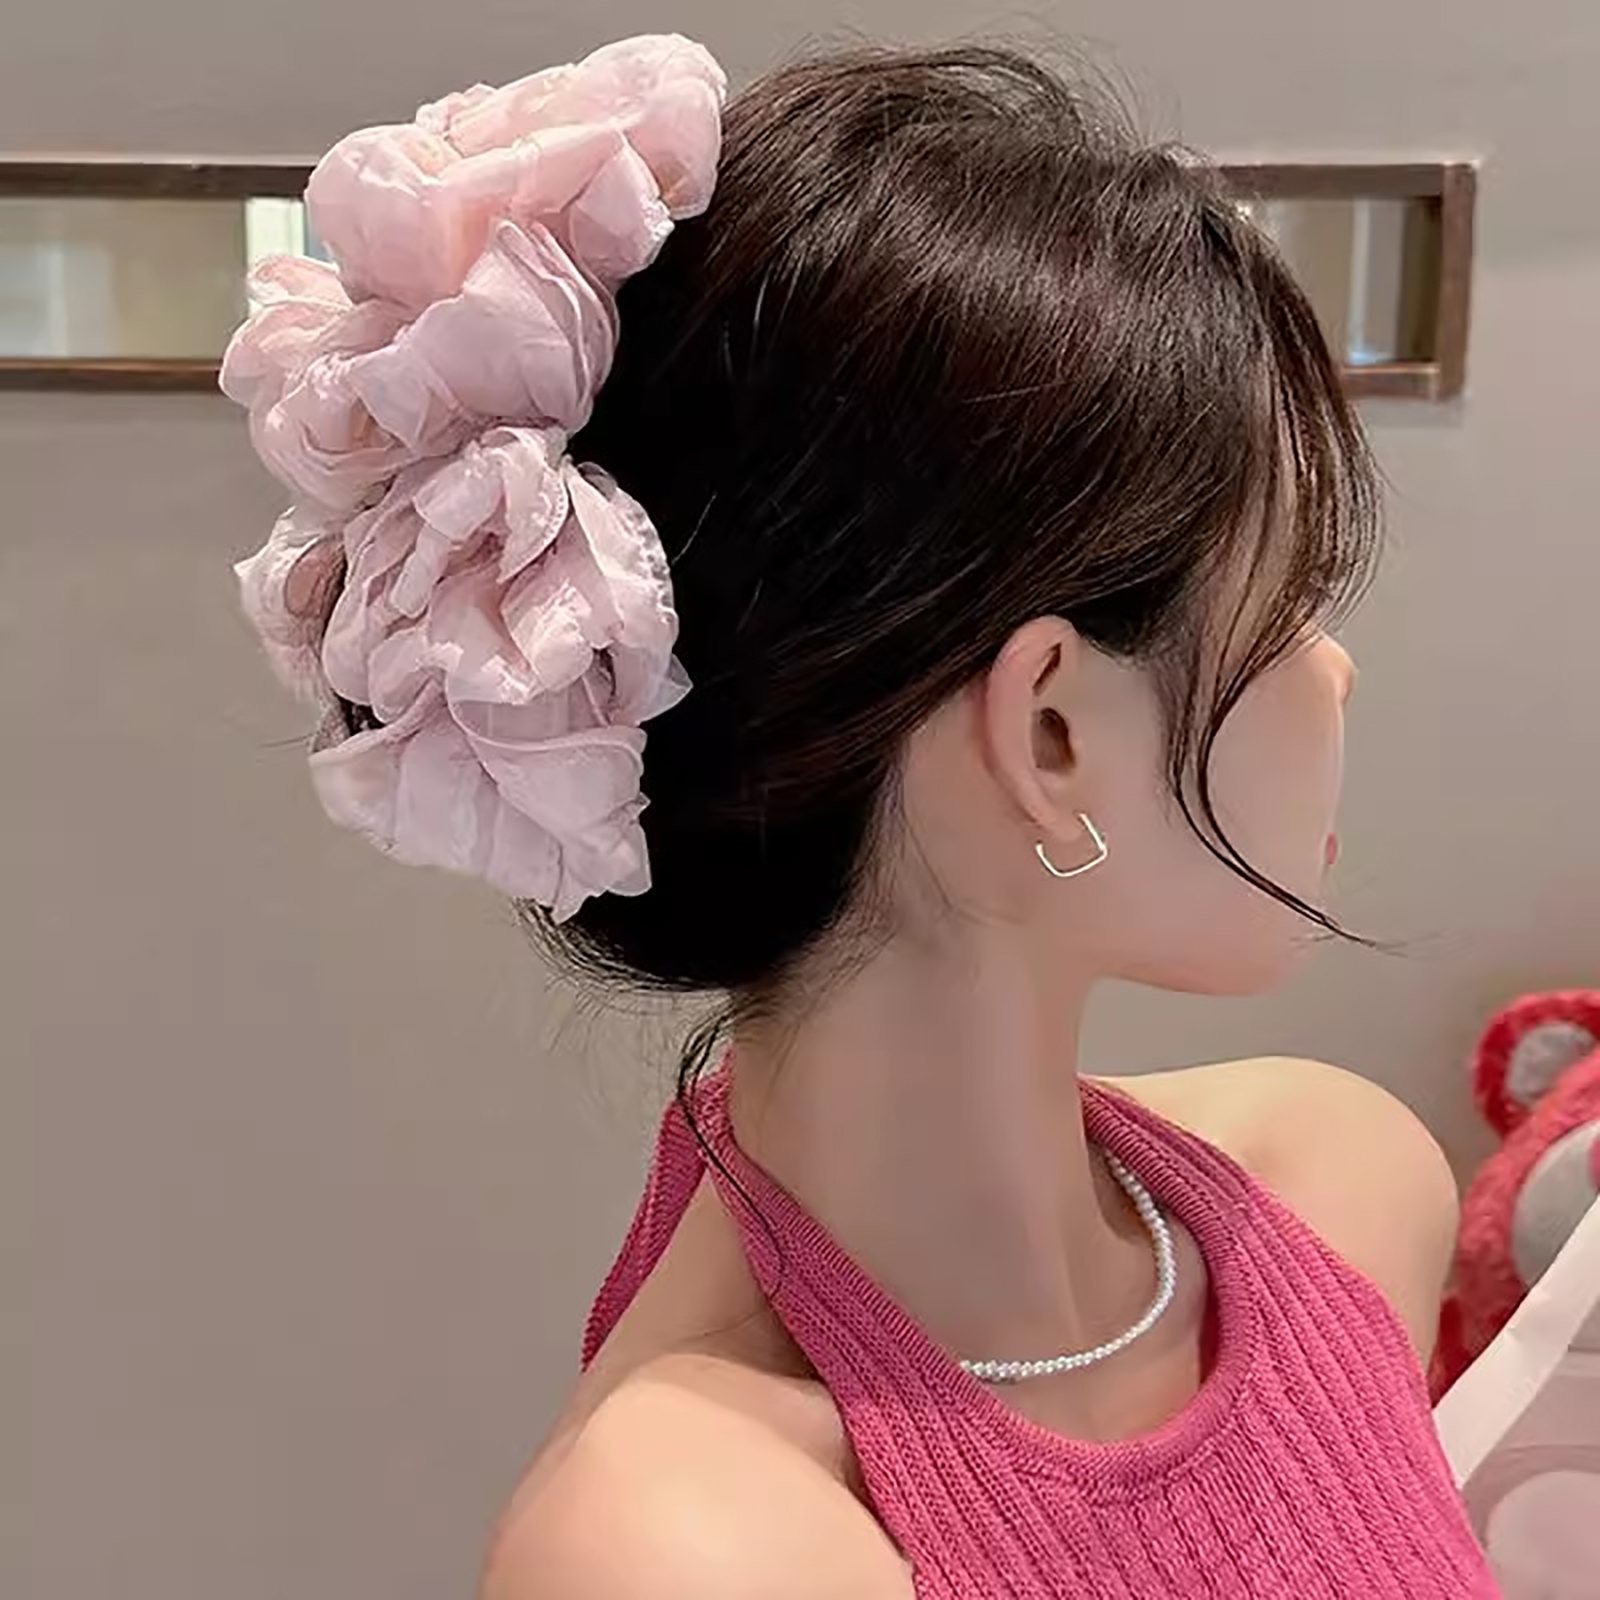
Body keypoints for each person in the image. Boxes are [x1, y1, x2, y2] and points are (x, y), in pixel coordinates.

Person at [222, 32, 1499, 1599]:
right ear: (1049, 730)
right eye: (1287, 603)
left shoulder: (1345, 1193)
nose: (1334, 674)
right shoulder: (692, 1552)